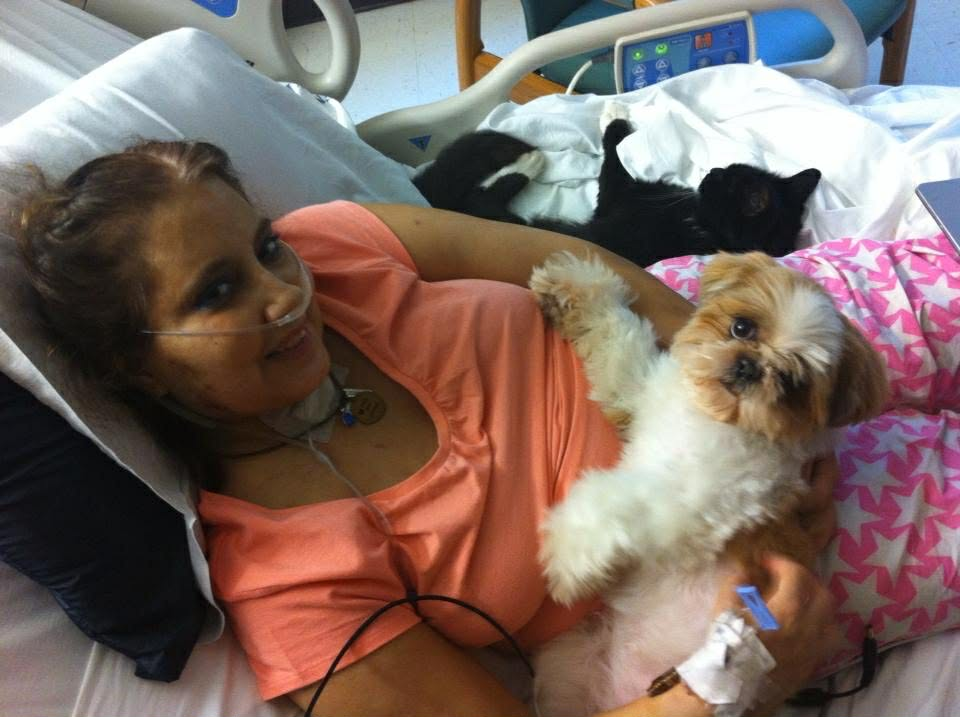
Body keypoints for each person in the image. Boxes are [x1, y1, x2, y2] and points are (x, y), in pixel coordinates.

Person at [14, 139, 881, 717]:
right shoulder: (290, 580)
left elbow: (579, 268)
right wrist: (738, 662)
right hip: (733, 585)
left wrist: (742, 371)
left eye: (265, 247)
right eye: (216, 292)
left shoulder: (336, 248)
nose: (286, 291)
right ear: (138, 365)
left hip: (745, 359)